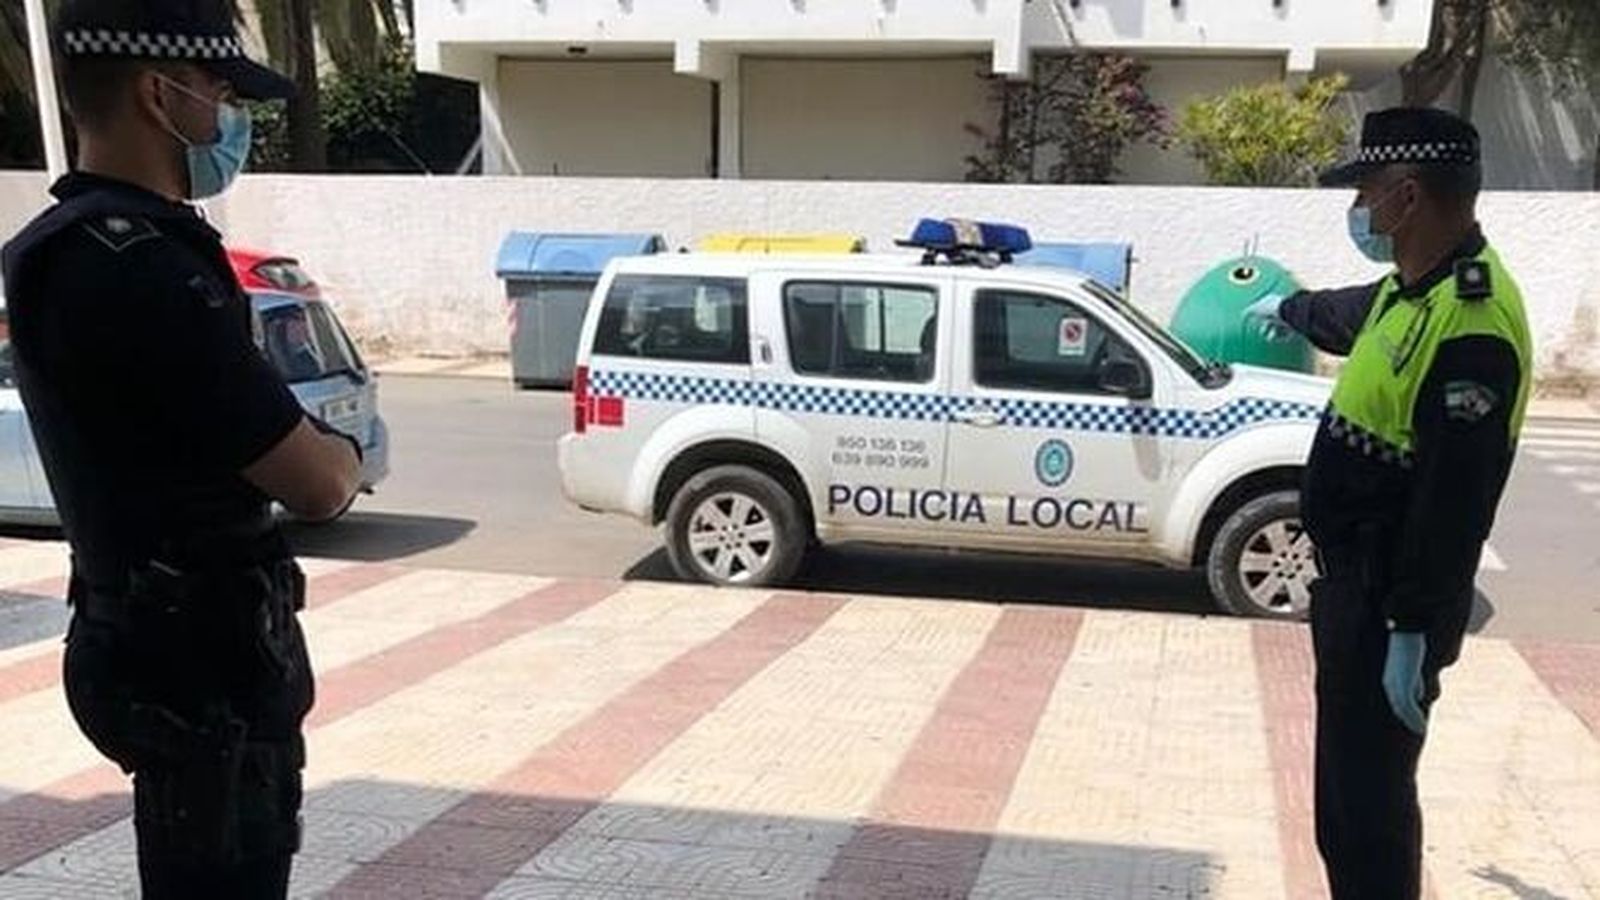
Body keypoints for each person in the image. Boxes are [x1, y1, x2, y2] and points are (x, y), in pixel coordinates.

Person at [0, 1, 365, 896]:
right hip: (201, 671)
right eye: (218, 89)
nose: (229, 114)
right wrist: (342, 453)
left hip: (147, 639)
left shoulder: (64, 247)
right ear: (156, 94)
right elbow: (316, 482)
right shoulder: (144, 268)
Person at [1248, 107, 1533, 898]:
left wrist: (1411, 626)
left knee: (1368, 814)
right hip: (1357, 592)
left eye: (1366, 190)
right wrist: (1288, 307)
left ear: (1407, 198)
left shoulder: (1472, 324)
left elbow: (1453, 502)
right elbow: (1347, 314)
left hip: (1388, 607)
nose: (1359, 208)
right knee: (1346, 806)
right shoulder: (1413, 290)